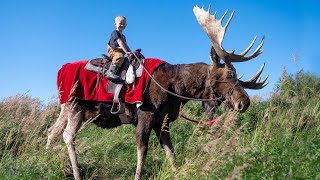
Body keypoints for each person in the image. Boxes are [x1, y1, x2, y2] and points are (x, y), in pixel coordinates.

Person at [106, 15, 131, 81]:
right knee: (119, 56)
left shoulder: (123, 36)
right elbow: (119, 41)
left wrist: (130, 52)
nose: (122, 25)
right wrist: (126, 52)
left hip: (120, 50)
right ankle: (111, 72)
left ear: (126, 25)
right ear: (115, 24)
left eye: (124, 24)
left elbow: (125, 44)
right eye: (120, 23)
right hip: (114, 50)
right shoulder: (115, 32)